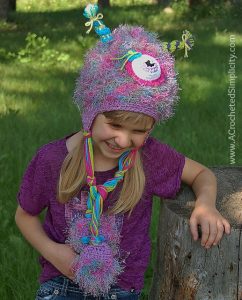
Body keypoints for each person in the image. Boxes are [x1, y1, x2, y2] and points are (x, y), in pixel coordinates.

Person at [15, 4, 231, 300]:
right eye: (114, 124)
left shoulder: (149, 158)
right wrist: (55, 253)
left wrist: (206, 204)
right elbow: (24, 215)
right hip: (61, 284)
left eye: (139, 131)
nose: (123, 139)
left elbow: (202, 174)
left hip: (122, 290)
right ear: (91, 113)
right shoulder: (53, 160)